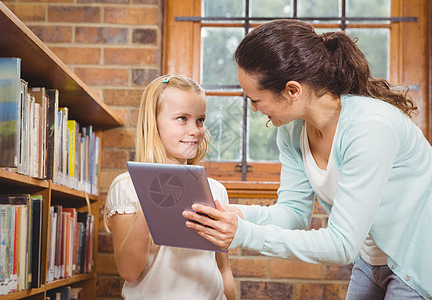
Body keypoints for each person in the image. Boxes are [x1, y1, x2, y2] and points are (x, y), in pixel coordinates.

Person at [183, 19, 432, 300]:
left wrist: (243, 234)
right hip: (371, 257)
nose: (253, 109)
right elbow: (292, 214)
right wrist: (236, 215)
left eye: (256, 99)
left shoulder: (370, 128)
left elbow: (340, 245)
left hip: (419, 259)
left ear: (292, 90)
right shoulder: (292, 131)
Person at [105, 74, 235, 300]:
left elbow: (223, 268)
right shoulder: (126, 187)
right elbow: (128, 271)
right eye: (182, 118)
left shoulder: (215, 189)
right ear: (153, 123)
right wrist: (152, 197)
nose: (195, 130)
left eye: (200, 120)